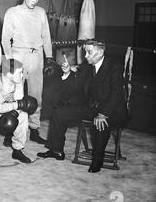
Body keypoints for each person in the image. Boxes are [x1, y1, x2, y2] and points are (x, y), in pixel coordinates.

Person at [37, 39, 128, 173]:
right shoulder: (87, 66)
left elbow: (116, 94)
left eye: (89, 52)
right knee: (60, 113)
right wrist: (67, 73)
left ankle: (97, 160)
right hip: (91, 107)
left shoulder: (114, 66)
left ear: (101, 51)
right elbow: (75, 87)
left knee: (101, 123)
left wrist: (103, 113)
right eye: (86, 52)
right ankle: (56, 150)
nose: (85, 56)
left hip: (111, 109)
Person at [2, 0, 53, 145]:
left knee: (36, 95)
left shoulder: (41, 12)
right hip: (18, 55)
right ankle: (10, 130)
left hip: (36, 56)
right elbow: (5, 39)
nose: (35, 1)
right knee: (15, 94)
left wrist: (49, 57)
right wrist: (10, 60)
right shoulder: (13, 12)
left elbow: (46, 36)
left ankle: (34, 129)